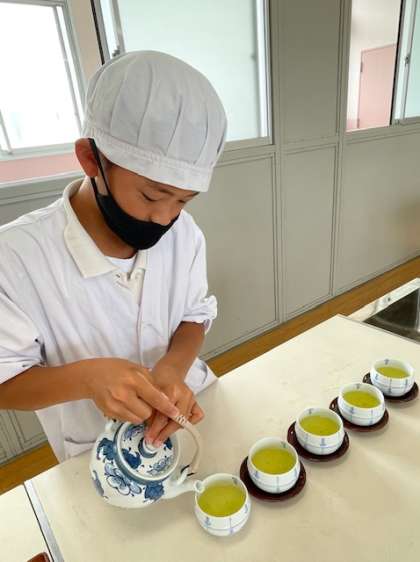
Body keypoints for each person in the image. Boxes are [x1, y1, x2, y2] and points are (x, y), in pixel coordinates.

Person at [0, 51, 227, 462]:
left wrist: (173, 368)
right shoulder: (15, 258)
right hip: (97, 450)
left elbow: (195, 315)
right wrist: (87, 379)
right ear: (91, 159)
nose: (165, 218)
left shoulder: (185, 233)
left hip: (188, 414)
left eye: (184, 200)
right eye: (152, 196)